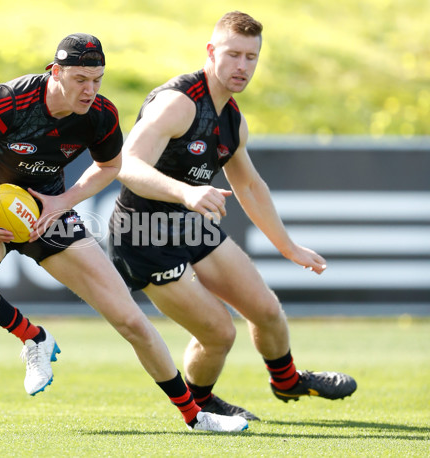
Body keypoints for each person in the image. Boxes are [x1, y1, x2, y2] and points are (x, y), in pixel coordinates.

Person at [0, 33, 248, 433]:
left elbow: (110, 166)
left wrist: (64, 202)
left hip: (49, 217)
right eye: (79, 79)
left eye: (97, 79)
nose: (90, 90)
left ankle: (195, 417)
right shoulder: (8, 102)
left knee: (131, 321)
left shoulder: (100, 116)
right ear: (54, 72)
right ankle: (32, 337)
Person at [108, 12, 357, 420]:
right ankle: (201, 404)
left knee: (266, 310)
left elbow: (251, 187)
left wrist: (288, 247)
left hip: (187, 225)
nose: (243, 66)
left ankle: (287, 380)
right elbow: (127, 166)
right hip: (144, 235)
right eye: (233, 55)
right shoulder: (178, 103)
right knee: (219, 333)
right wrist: (186, 192)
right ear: (211, 52)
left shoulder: (232, 119)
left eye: (251, 57)